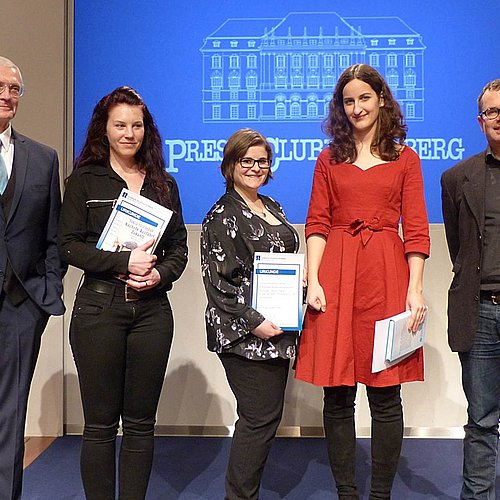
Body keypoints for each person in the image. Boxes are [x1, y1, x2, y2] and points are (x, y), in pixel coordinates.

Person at [294, 64, 430, 499]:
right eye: (348, 101)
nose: (357, 108)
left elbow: (418, 229)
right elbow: (316, 223)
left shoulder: (406, 159)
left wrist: (415, 288)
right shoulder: (328, 159)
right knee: (337, 394)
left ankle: (381, 494)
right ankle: (347, 493)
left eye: (364, 98)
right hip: (336, 276)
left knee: (386, 395)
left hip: (387, 277)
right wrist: (313, 279)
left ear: (382, 100)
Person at [59, 86, 188, 499]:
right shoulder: (83, 180)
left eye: (137, 125)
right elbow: (68, 245)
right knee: (98, 425)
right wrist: (121, 264)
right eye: (120, 125)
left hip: (152, 312)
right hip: (99, 308)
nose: (129, 133)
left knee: (140, 424)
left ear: (146, 130)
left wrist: (158, 275)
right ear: (105, 129)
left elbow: (179, 249)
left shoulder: (163, 184)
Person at [201, 128, 300, 500]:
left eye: (262, 161)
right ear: (230, 165)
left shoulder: (271, 206)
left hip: (278, 329)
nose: (256, 167)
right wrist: (254, 321)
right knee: (258, 420)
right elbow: (218, 286)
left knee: (266, 418)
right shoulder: (221, 215)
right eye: (247, 161)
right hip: (245, 335)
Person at [0, 56, 65, 500]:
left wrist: (48, 291)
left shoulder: (43, 158)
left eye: (14, 89)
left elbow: (52, 236)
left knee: (10, 417)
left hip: (21, 307)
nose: (7, 96)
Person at [441, 79, 500, 500]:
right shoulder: (457, 177)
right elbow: (457, 250)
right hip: (480, 313)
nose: (499, 118)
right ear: (481, 122)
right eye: (492, 112)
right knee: (481, 418)